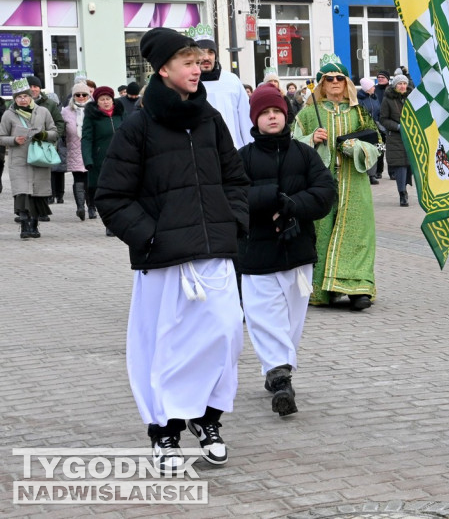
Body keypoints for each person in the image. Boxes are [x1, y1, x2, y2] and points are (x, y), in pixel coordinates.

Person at [94, 27, 249, 475]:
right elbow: (112, 197)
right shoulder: (138, 126)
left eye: (199, 61)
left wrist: (233, 221)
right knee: (163, 348)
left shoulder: (210, 119)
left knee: (225, 336)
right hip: (163, 260)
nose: (198, 68)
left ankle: (206, 419)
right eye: (187, 62)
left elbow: (235, 179)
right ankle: (164, 433)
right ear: (163, 69)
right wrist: (151, 236)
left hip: (215, 252)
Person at [237, 84, 335, 417]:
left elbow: (324, 190)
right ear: (255, 119)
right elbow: (231, 195)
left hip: (297, 249)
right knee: (264, 317)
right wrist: (269, 198)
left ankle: (278, 368)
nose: (272, 117)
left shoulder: (304, 154)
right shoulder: (243, 157)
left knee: (293, 319)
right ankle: (280, 376)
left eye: (276, 111)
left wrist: (294, 205)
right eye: (265, 113)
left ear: (286, 115)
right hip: (257, 252)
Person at [293, 55, 380, 310]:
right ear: (321, 83)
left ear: (346, 83)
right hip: (320, 184)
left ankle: (358, 290)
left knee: (358, 235)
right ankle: (323, 290)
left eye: (339, 78)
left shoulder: (359, 112)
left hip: (355, 182)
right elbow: (292, 145)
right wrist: (311, 138)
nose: (334, 83)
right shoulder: (309, 114)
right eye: (328, 79)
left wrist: (357, 147)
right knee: (321, 234)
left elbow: (377, 145)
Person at [0, 78, 58, 238]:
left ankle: (35, 225)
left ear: (31, 96)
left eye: (25, 96)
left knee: (37, 194)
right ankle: (24, 225)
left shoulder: (43, 112)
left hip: (39, 159)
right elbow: (1, 136)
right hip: (19, 160)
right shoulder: (8, 115)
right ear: (14, 99)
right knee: (22, 192)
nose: (23, 99)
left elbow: (54, 132)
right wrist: (13, 140)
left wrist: (43, 134)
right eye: (19, 97)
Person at [192, 26, 251, 149]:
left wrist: (250, 150)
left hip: (234, 150)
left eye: (211, 52)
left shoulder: (232, 81)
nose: (206, 57)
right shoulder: (188, 83)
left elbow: (246, 120)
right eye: (201, 52)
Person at [82, 86, 126, 236]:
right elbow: (86, 139)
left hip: (122, 160)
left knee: (121, 194)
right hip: (101, 161)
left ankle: (120, 222)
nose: (106, 102)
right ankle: (110, 224)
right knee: (106, 195)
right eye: (102, 99)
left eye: (108, 99)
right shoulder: (92, 116)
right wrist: (87, 159)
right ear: (97, 102)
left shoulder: (120, 114)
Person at [25, 75, 65, 207]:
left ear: (40, 88)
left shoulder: (50, 104)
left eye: (35, 86)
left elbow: (59, 123)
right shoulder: (20, 102)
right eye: (30, 86)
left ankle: (43, 207)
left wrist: (53, 136)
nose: (33, 89)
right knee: (26, 179)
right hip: (24, 145)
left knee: (43, 177)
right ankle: (26, 209)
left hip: (44, 145)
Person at [379, 74, 412, 206]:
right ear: (395, 85)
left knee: (410, 166)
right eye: (400, 84)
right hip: (396, 138)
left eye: (404, 83)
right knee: (401, 166)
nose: (403, 86)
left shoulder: (412, 98)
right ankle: (402, 193)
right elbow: (383, 119)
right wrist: (398, 126)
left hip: (412, 137)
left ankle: (408, 188)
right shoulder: (388, 100)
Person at [62, 83, 92, 221]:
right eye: (77, 95)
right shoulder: (66, 111)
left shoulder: (94, 109)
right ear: (73, 96)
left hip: (91, 149)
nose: (81, 97)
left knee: (91, 180)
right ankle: (80, 207)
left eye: (84, 94)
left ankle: (92, 207)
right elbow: (61, 128)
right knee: (78, 178)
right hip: (74, 149)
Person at [357, 77, 384, 184]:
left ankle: (372, 175)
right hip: (364, 129)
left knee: (375, 149)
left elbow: (378, 111)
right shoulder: (359, 99)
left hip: (375, 128)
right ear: (367, 88)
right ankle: (364, 174)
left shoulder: (374, 97)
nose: (374, 88)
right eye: (372, 86)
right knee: (365, 151)